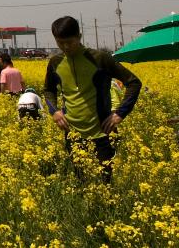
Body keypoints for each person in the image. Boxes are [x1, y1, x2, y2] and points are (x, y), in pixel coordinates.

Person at [43, 16, 141, 182]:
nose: (66, 47)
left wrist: (119, 114)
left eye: (70, 42)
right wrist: (54, 111)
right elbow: (48, 89)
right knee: (81, 183)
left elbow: (133, 83)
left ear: (79, 36)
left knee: (106, 183)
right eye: (60, 42)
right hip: (72, 134)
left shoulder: (100, 58)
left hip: (103, 132)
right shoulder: (55, 62)